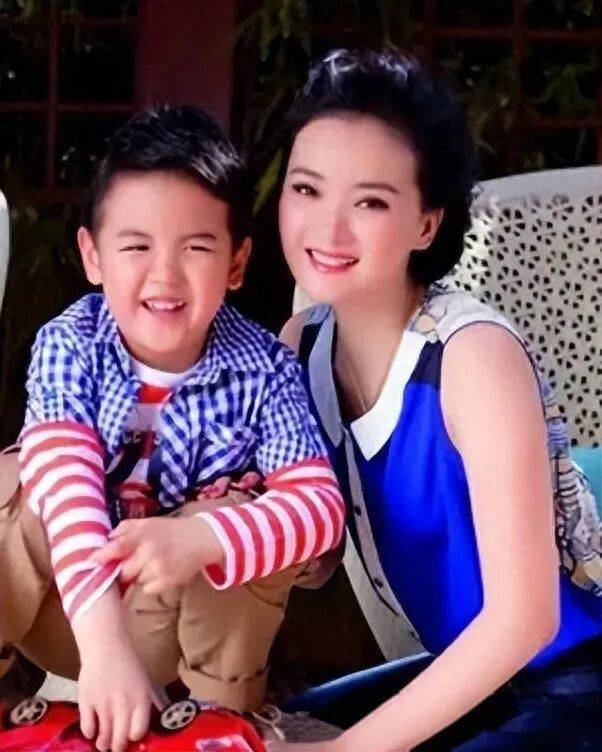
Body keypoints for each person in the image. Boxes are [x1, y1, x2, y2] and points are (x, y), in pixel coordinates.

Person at [275, 49, 601, 751]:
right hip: (477, 681)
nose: (328, 229)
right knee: (261, 732)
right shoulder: (301, 345)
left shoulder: (471, 356)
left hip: (578, 682)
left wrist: (345, 751)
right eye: (306, 190)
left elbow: (526, 621)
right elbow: (318, 560)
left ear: (426, 224)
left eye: (369, 202)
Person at [0, 104, 345, 752]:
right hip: (62, 609)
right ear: (93, 256)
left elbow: (322, 511)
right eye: (136, 246)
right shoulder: (71, 343)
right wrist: (103, 648)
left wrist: (205, 537)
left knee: (245, 514)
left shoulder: (265, 370)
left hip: (168, 618)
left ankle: (218, 722)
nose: (164, 275)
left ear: (236, 262)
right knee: (20, 481)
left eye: (196, 248)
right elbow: (65, 477)